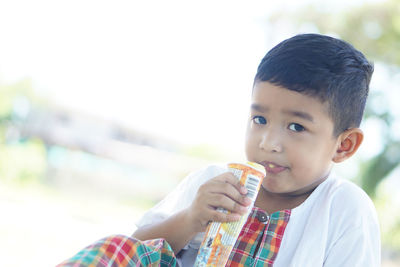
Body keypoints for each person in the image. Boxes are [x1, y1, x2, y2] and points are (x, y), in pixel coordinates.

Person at [57, 33, 380, 267]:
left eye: (296, 127)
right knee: (112, 246)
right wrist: (192, 218)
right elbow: (136, 249)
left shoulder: (344, 209)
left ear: (344, 145)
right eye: (259, 119)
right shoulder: (213, 181)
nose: (268, 142)